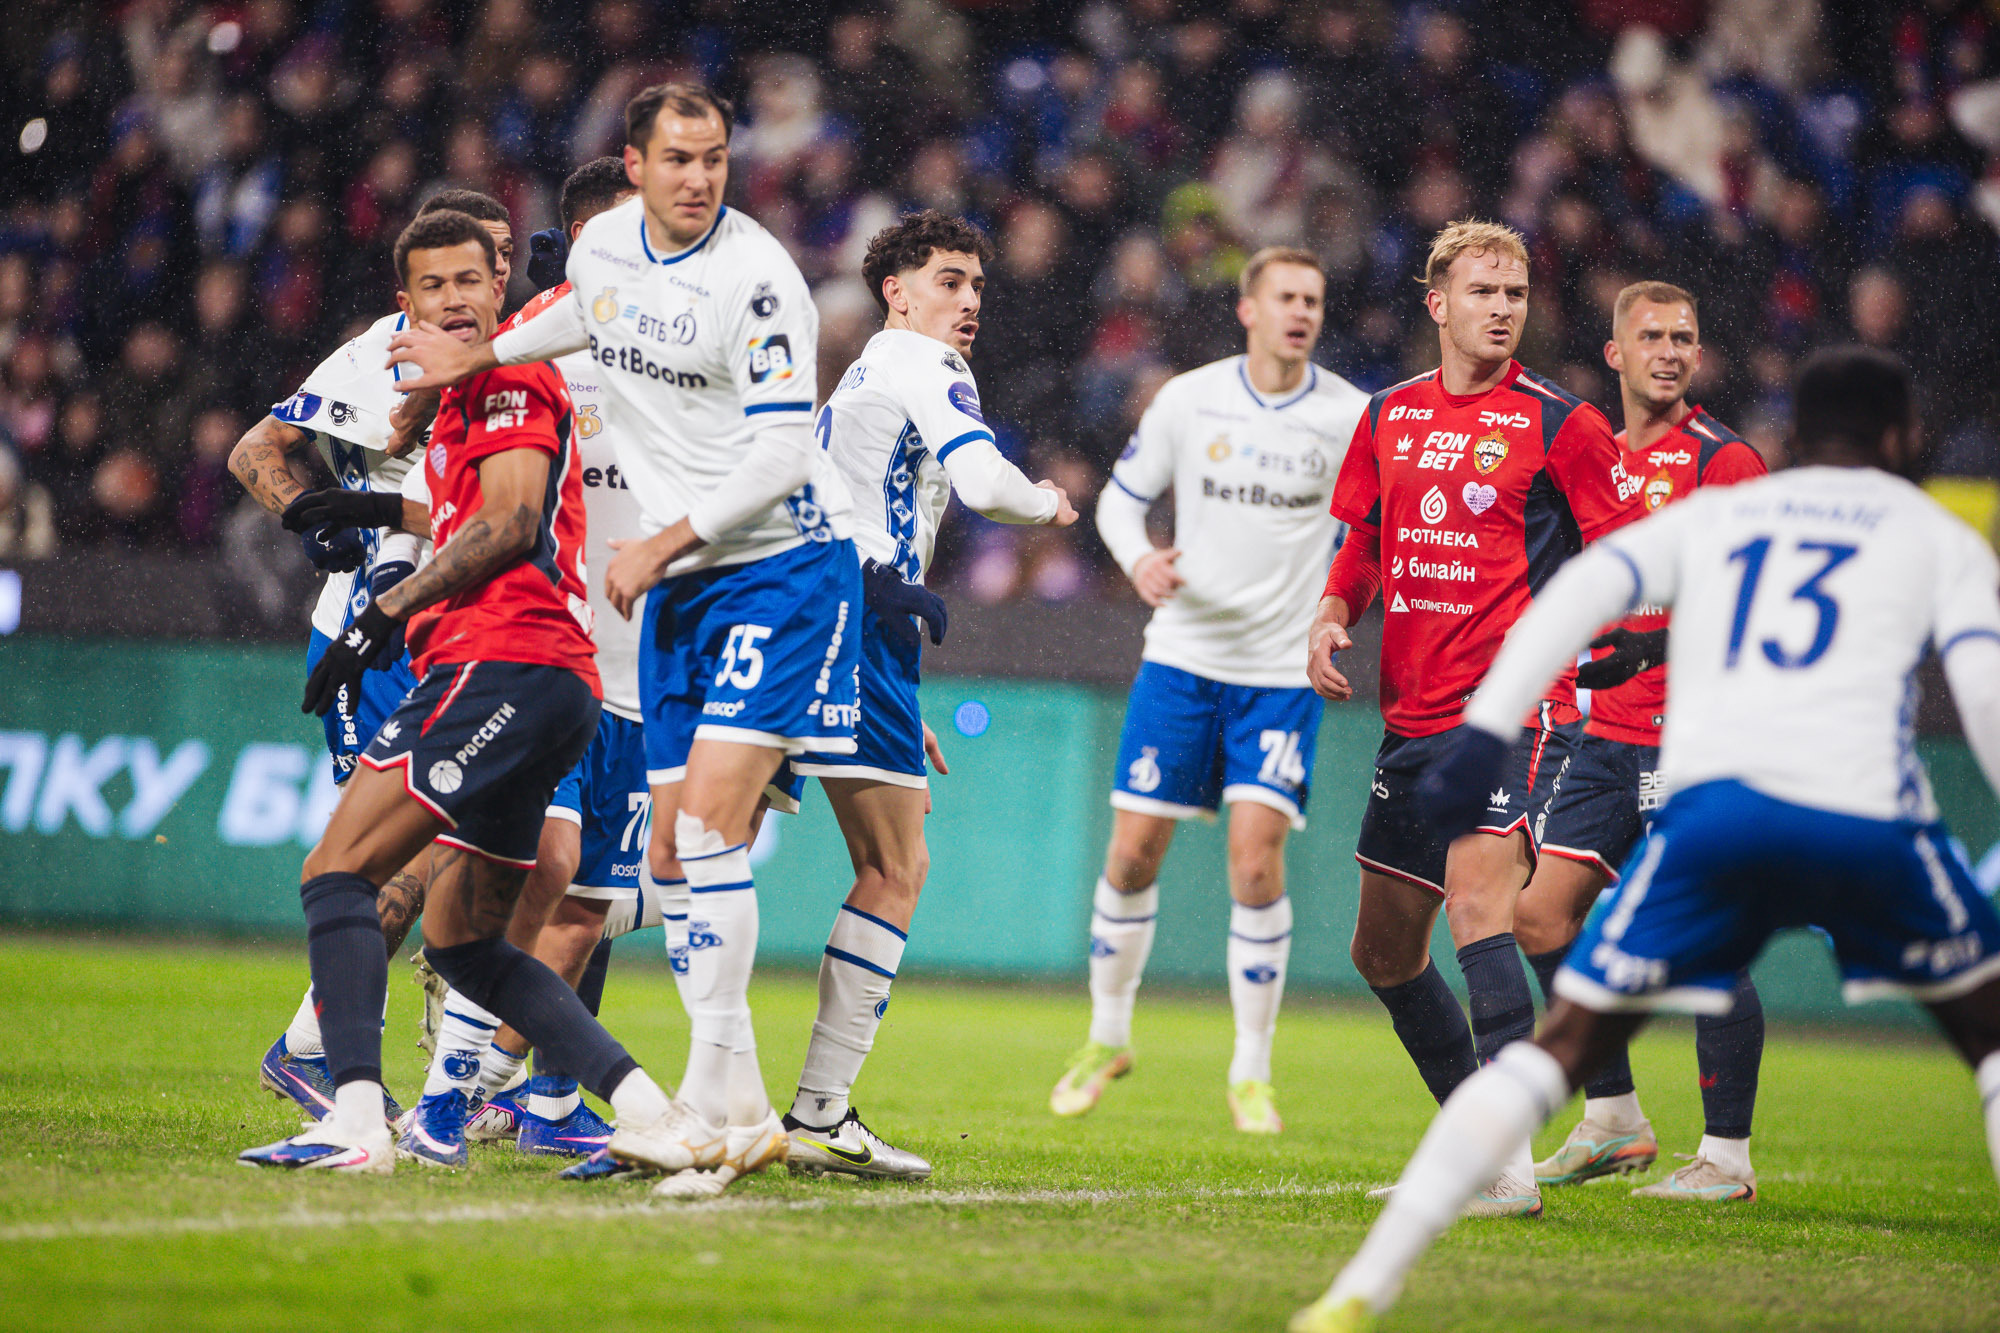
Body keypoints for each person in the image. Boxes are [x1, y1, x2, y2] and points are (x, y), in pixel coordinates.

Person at [1292, 345, 2000, 1332]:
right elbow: (1980, 690)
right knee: (1986, 1037)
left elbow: (1573, 603)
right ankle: (1633, 1131)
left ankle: (1360, 1285)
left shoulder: (1727, 510)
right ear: (1900, 438)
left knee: (1558, 1046)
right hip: (1867, 810)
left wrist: (1490, 728)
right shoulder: (1937, 535)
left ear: (1793, 436)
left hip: (1721, 810)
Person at [387, 82, 861, 1185]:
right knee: (674, 848)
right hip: (684, 589)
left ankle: (704, 1099)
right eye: (679, 159)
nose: (699, 177)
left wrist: (661, 542)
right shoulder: (603, 248)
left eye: (715, 158)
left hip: (776, 567)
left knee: (703, 831)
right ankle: (733, 1109)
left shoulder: (758, 279)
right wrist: (483, 356)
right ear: (635, 164)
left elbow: (786, 448)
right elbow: (570, 318)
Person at [239, 208, 678, 1173]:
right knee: (471, 939)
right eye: (432, 286)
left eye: (470, 281)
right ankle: (661, 1112)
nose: (453, 299)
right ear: (408, 302)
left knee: (338, 871)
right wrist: (357, 508)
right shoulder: (450, 395)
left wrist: (380, 611)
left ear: (499, 287)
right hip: (542, 674)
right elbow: (464, 506)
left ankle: (350, 1113)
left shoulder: (511, 374)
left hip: (500, 663)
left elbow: (514, 520)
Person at [1306, 220, 1637, 1214]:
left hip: (1512, 711)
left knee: (1478, 908)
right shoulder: (1386, 417)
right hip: (1408, 719)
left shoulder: (1559, 423)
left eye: (1515, 293)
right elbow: (1364, 539)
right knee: (1381, 953)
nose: (1501, 308)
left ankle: (1502, 1168)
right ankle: (1473, 1133)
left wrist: (1611, 643)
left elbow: (1626, 548)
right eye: (1483, 291)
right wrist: (1331, 612)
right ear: (1435, 301)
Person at [777, 209, 1077, 1178]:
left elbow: (867, 515)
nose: (969, 301)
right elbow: (985, 483)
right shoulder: (917, 361)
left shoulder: (869, 372)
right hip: (851, 625)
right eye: (949, 281)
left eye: (977, 286)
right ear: (896, 292)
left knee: (708, 848)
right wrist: (1046, 503)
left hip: (838, 623)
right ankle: (816, 1116)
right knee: (896, 865)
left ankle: (496, 1002)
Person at [1050, 246, 1367, 1133]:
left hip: (1276, 672)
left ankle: (1252, 1070)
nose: (1302, 312)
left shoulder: (1349, 416)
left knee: (1255, 860)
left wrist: (1339, 609)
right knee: (1131, 853)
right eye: (1287, 298)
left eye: (1314, 298)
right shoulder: (1191, 399)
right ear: (1249, 309)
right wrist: (1140, 557)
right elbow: (1118, 501)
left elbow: (1372, 525)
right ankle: (1107, 1035)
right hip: (1183, 659)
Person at [230, 188, 515, 1124]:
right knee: (409, 850)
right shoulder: (379, 355)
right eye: (466, 269)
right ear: (416, 288)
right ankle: (316, 1049)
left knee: (475, 845)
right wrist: (313, 523)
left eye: (500, 263)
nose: (491, 281)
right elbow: (255, 451)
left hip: (464, 630)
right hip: (376, 637)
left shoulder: (511, 357)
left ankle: (464, 1064)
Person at [385, 159, 640, 1167]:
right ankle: (422, 1086)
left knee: (603, 903)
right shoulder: (531, 357)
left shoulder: (683, 367)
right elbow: (459, 493)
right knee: (554, 880)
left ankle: (538, 1092)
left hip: (646, 675)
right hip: (548, 652)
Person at [1523, 282, 1771, 1200]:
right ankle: (1614, 1119)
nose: (1671, 350)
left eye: (1686, 338)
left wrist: (1653, 643)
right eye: (1653, 336)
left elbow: (1760, 599)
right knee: (1539, 916)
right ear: (1616, 352)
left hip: (1696, 736)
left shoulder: (1725, 461)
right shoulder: (1593, 454)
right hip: (1607, 734)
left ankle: (1728, 1159)